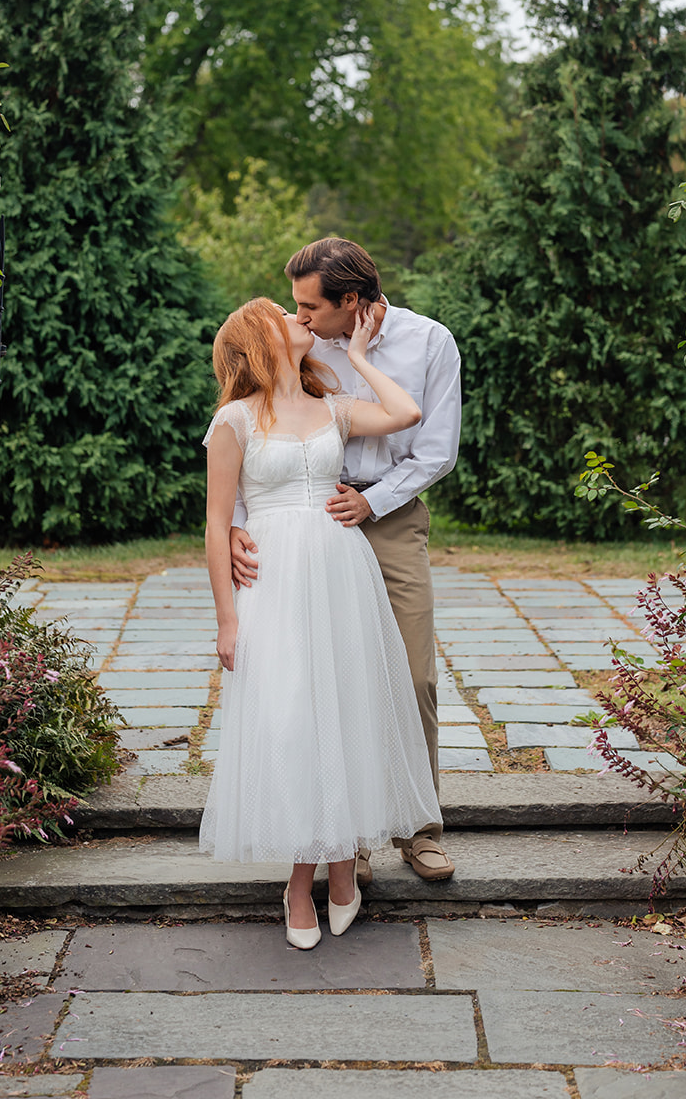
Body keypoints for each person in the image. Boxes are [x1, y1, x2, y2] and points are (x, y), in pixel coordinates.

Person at [200, 296, 440, 950]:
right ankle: (298, 882)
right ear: (259, 340)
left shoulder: (332, 405)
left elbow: (406, 414)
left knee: (346, 710)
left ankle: (343, 871)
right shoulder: (234, 421)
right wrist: (227, 621)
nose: (300, 319)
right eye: (284, 315)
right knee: (294, 717)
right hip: (275, 581)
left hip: (341, 572)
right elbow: (218, 525)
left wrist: (358, 356)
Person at [231, 238, 461, 884]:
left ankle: (419, 833)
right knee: (325, 681)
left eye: (309, 307)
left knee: (412, 676)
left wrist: (374, 504)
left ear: (351, 301)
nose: (299, 317)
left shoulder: (429, 342)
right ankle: (345, 840)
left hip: (387, 519)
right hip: (300, 527)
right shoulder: (293, 342)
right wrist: (235, 527)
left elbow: (436, 448)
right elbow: (249, 430)